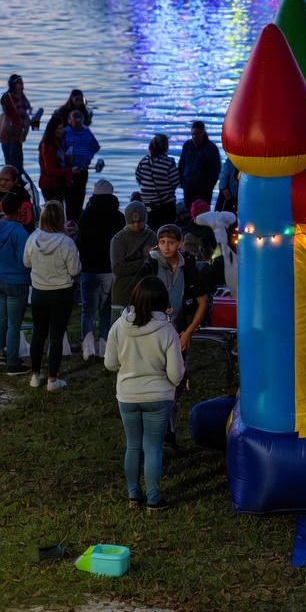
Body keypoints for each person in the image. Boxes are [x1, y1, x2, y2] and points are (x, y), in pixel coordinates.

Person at [104, 275, 186, 510]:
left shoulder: (118, 326)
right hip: (159, 397)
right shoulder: (167, 330)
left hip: (128, 395)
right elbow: (176, 374)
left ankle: (133, 495)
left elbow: (110, 363)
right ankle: (153, 498)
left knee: (133, 446)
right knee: (153, 448)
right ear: (163, 300)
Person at [135, 223, 209, 446]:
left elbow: (202, 301)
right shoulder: (149, 265)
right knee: (154, 378)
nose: (166, 247)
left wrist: (187, 333)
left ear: (179, 243)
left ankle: (170, 429)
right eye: (163, 243)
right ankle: (153, 430)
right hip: (154, 331)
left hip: (179, 330)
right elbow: (138, 298)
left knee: (176, 379)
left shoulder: (188, 266)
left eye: (171, 243)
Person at [23, 199, 81, 392]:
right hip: (61, 293)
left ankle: (35, 375)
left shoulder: (33, 238)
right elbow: (74, 270)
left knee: (39, 333)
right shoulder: (66, 242)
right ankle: (52, 379)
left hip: (39, 291)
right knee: (56, 335)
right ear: (60, 219)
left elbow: (26, 262)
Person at [77, 178, 125, 359]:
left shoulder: (86, 215)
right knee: (106, 311)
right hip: (109, 270)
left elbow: (80, 242)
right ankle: (105, 346)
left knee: (88, 311)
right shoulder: (119, 217)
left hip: (89, 269)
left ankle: (87, 348)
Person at [0, 191, 32, 375]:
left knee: (2, 319)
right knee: (14, 323)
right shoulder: (20, 231)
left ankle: (2, 353)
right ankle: (12, 363)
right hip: (16, 282)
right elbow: (25, 260)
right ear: (19, 209)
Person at [109, 201, 158, 320]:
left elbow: (156, 264)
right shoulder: (118, 239)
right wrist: (145, 259)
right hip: (123, 295)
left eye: (140, 222)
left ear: (145, 219)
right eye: (132, 222)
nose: (136, 225)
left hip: (146, 294)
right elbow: (117, 269)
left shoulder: (151, 236)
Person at [62, 109, 100, 220]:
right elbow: (60, 151)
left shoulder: (87, 131)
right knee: (69, 202)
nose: (78, 121)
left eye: (80, 118)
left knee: (79, 201)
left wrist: (88, 157)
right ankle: (69, 224)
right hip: (69, 173)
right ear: (69, 120)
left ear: (83, 120)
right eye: (75, 119)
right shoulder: (65, 133)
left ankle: (76, 224)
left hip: (83, 171)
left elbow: (95, 147)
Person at [135, 134, 179, 230]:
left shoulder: (143, 162)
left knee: (151, 231)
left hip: (148, 207)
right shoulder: (168, 162)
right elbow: (175, 182)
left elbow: (138, 178)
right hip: (165, 206)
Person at [1, 73, 41, 171]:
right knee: (12, 163)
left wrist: (33, 119)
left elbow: (28, 110)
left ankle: (17, 179)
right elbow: (12, 114)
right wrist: (24, 124)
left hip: (18, 134)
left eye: (22, 83)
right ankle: (11, 181)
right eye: (19, 83)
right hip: (9, 133)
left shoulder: (22, 97)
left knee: (17, 162)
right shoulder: (8, 96)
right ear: (13, 85)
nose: (22, 85)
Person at [178, 121, 221, 210]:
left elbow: (216, 169)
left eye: (197, 134)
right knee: (188, 213)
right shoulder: (187, 145)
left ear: (203, 133)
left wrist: (209, 186)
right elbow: (181, 164)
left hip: (204, 190)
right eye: (193, 134)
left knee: (203, 215)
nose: (195, 136)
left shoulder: (211, 148)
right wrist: (182, 182)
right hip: (188, 188)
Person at [38, 114, 79, 204]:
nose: (63, 131)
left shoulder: (56, 142)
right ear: (53, 130)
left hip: (57, 184)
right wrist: (70, 171)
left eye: (62, 128)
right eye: (60, 128)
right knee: (55, 211)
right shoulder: (47, 145)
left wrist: (65, 157)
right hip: (50, 185)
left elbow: (56, 158)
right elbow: (50, 170)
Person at [0, 165, 35, 231]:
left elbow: (26, 222)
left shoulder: (22, 195)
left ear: (15, 180)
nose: (2, 183)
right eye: (0, 179)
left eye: (7, 180)